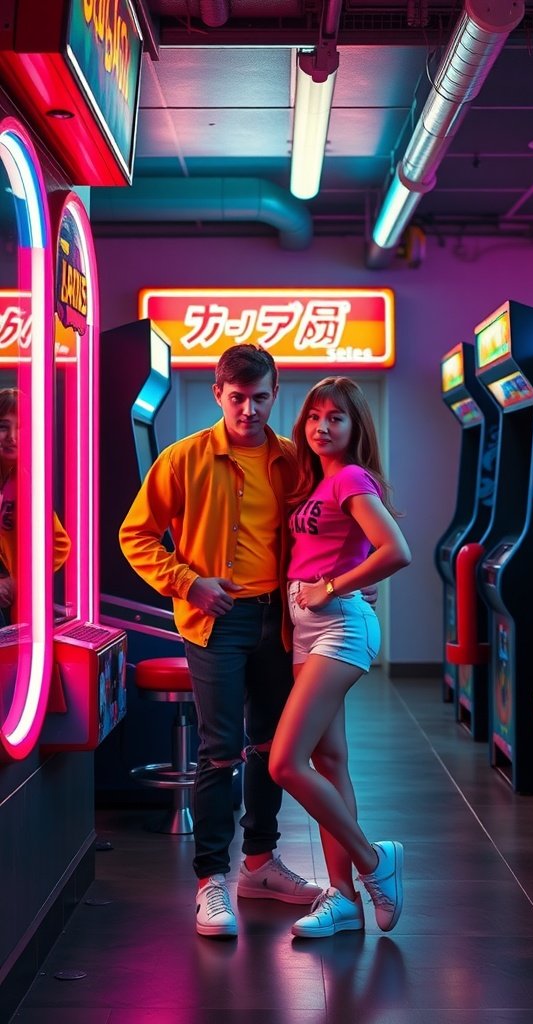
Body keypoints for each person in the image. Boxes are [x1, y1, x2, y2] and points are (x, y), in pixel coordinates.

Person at [119, 344, 326, 939]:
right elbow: (135, 535)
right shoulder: (183, 459)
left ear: (275, 393)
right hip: (216, 619)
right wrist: (188, 581)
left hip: (282, 618)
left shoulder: (295, 460)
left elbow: (325, 530)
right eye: (237, 398)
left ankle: (259, 864)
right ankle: (211, 880)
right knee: (220, 749)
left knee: (271, 745)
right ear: (218, 394)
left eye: (260, 397)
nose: (249, 410)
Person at [268, 376, 412, 939]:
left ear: (355, 427)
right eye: (314, 417)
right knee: (328, 760)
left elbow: (396, 550)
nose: (322, 427)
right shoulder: (314, 480)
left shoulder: (350, 477)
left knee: (285, 762)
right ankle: (344, 898)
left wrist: (333, 585)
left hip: (339, 625)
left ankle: (374, 861)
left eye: (335, 418)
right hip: (306, 626)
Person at [0, 387, 70, 621]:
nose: (11, 437)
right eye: (3, 427)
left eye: (20, 428)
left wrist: (19, 582)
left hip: (14, 613)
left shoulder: (26, 482)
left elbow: (59, 544)